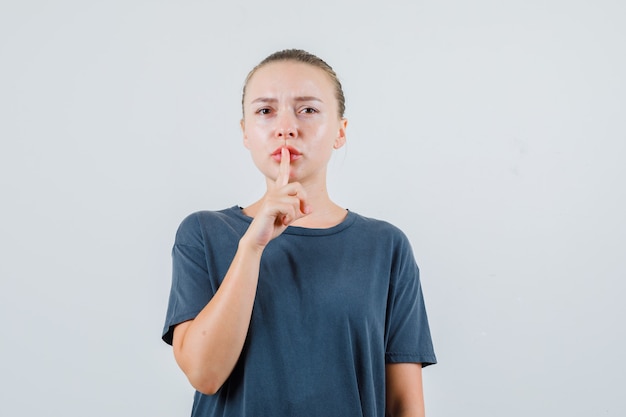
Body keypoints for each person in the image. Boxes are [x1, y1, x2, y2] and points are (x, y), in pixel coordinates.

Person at [162, 49, 437, 417]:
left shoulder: (386, 247)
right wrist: (252, 247)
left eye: (307, 109)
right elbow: (204, 374)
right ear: (245, 132)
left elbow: (404, 404)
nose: (286, 127)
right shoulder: (204, 234)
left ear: (340, 131)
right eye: (265, 111)